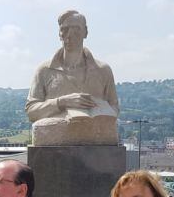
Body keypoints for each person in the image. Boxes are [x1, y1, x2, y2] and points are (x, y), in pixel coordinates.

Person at [25, 9, 120, 145]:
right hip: (55, 134)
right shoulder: (44, 71)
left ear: (85, 32)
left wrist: (99, 110)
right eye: (65, 29)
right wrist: (61, 102)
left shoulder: (102, 70)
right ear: (59, 34)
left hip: (96, 138)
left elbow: (115, 108)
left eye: (76, 29)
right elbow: (31, 112)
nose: (69, 35)